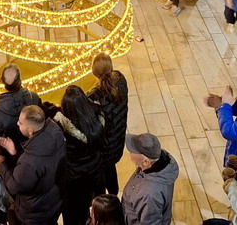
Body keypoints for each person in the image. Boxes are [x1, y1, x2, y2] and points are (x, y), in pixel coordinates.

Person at [0, 104, 65, 225]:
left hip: (36, 212)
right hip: (55, 202)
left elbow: (14, 185)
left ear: (30, 131)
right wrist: (14, 153)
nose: (17, 124)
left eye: (20, 123)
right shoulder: (55, 130)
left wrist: (1, 163)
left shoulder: (30, 162)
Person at [51, 85, 105, 225]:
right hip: (95, 169)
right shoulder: (97, 115)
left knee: (74, 211)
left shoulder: (63, 126)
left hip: (75, 176)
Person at [87, 53, 129, 196]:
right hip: (117, 141)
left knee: (100, 177)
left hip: (103, 148)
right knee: (110, 169)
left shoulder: (95, 97)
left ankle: (103, 203)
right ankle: (114, 194)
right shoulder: (121, 80)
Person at [121, 132, 178, 225]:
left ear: (145, 162)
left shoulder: (149, 195)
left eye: (133, 151)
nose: (130, 152)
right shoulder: (158, 161)